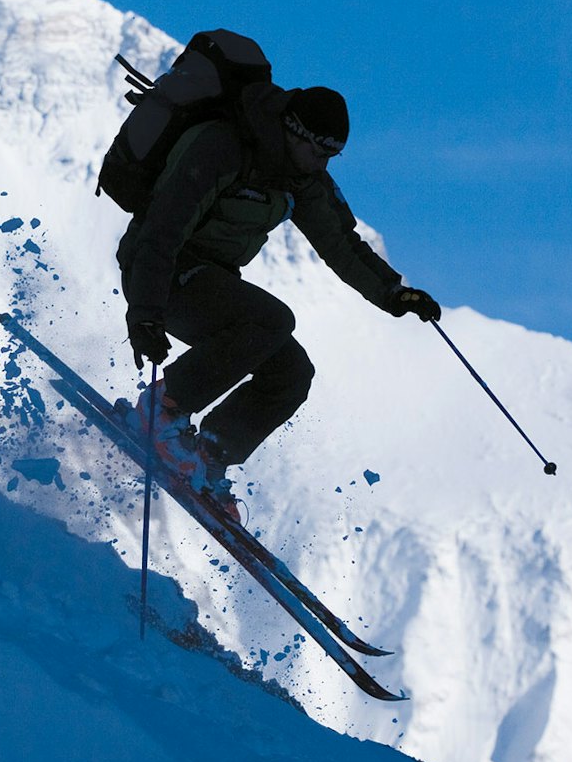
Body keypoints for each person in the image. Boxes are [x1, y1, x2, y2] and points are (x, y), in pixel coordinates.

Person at [116, 80, 440, 517]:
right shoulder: (223, 148)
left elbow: (340, 242)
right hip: (159, 271)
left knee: (290, 372)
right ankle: (162, 411)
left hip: (208, 281)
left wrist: (393, 292)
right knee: (272, 319)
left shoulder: (301, 178)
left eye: (332, 155)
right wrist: (146, 314)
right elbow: (163, 228)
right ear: (292, 130)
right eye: (318, 150)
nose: (322, 163)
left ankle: (207, 456)